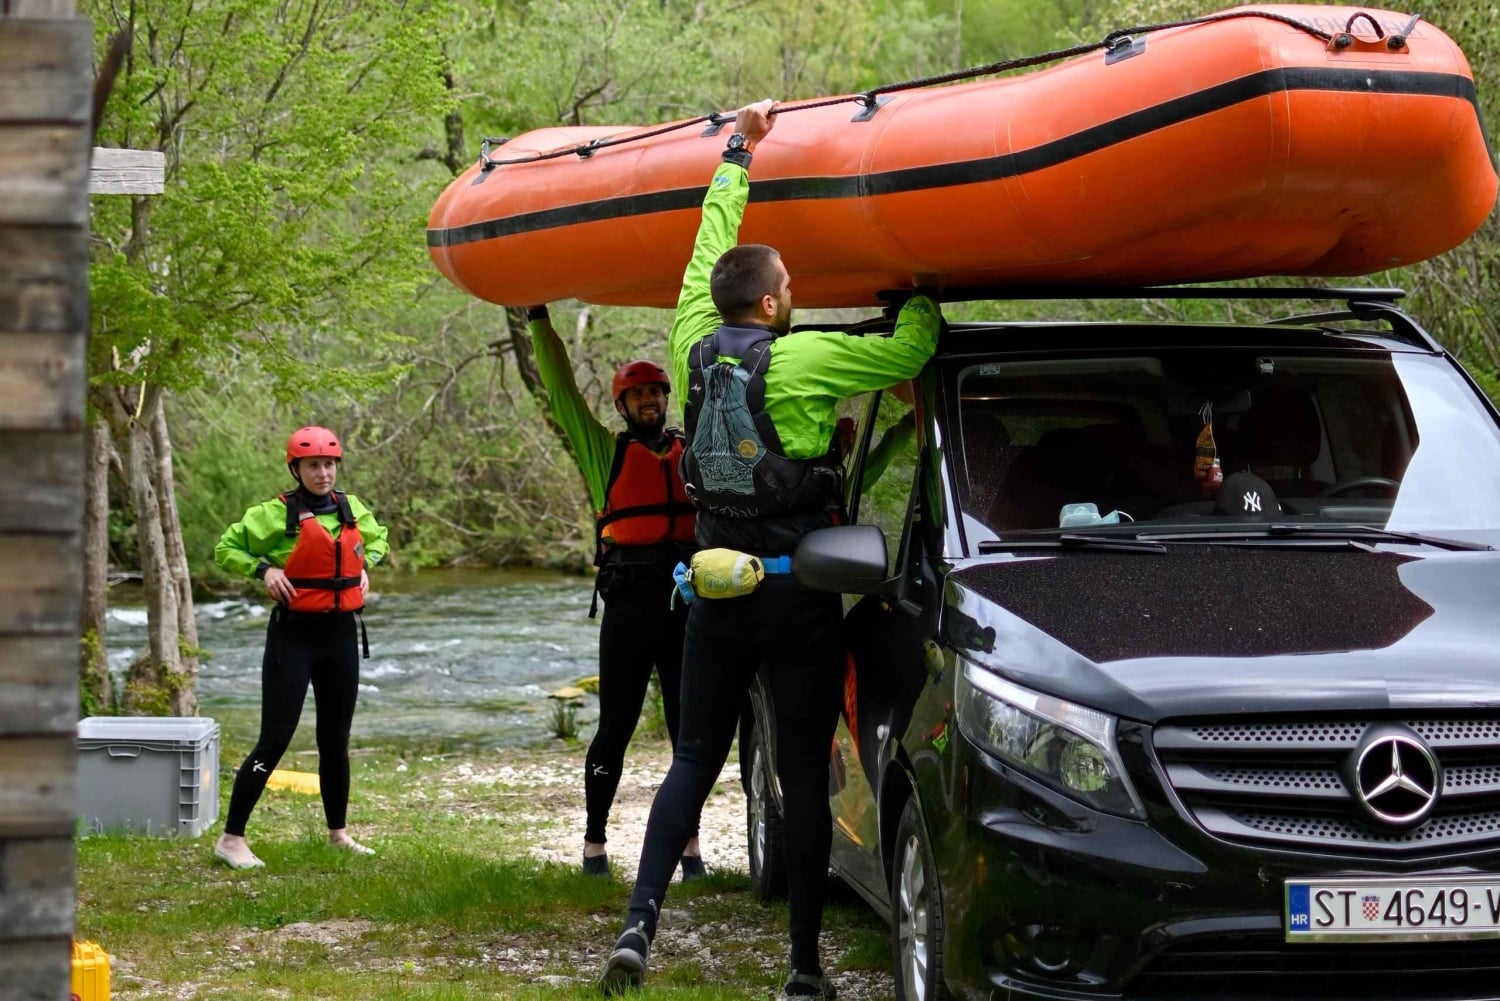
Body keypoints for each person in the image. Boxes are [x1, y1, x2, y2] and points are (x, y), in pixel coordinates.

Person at [599, 100, 943, 998]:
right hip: (796, 602)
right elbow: (919, 343)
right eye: (788, 282)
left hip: (711, 593)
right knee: (798, 766)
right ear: (767, 301)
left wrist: (737, 151)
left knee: (690, 762)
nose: (795, 289)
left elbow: (710, 237)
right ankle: (800, 969)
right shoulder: (805, 361)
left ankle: (640, 922)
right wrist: (919, 282)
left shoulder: (684, 341)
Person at [526, 305, 705, 880]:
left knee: (688, 731)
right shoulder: (604, 450)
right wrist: (537, 320)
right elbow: (561, 395)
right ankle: (595, 842)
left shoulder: (693, 449)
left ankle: (690, 846)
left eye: (657, 392)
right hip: (629, 608)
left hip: (685, 607)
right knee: (616, 726)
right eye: (639, 396)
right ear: (622, 406)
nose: (650, 401)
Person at [211, 426, 389, 870]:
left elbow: (378, 539)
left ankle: (338, 834)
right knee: (275, 738)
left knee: (335, 740)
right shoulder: (274, 515)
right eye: (313, 465)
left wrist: (365, 563)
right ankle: (231, 839)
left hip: (340, 636)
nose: (323, 473)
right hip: (292, 637)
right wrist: (263, 570)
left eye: (329, 464)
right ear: (296, 469)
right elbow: (225, 548)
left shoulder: (351, 509)